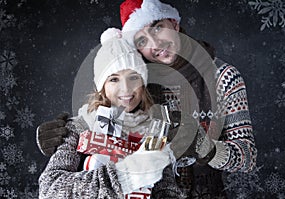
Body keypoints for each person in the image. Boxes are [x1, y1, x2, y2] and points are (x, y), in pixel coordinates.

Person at [37, 0, 257, 198]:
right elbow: (102, 122)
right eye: (142, 40)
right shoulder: (138, 81)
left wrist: (208, 149)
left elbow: (247, 158)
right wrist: (63, 139)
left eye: (158, 27)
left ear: (174, 23)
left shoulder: (223, 77)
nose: (155, 44)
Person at [39, 28, 185, 199]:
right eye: (114, 79)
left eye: (133, 77)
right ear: (102, 86)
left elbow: (166, 190)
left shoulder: (154, 131)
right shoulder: (79, 127)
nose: (126, 89)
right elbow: (49, 189)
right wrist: (124, 177)